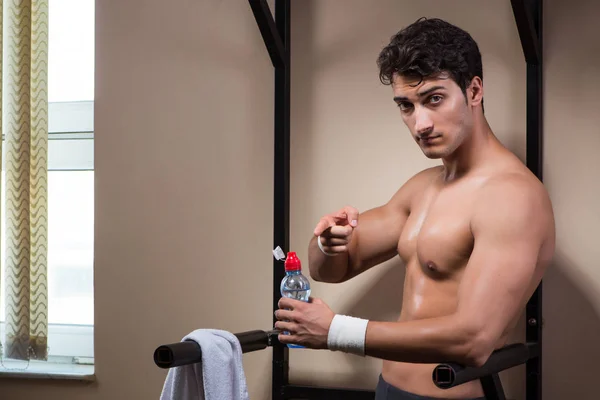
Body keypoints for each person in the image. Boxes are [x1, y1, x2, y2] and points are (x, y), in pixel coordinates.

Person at [274, 17, 555, 400]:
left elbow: (475, 339)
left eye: (434, 99)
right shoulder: (422, 187)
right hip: (388, 390)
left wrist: (337, 331)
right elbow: (329, 271)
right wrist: (327, 242)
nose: (420, 123)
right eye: (406, 106)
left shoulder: (512, 196)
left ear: (474, 90)